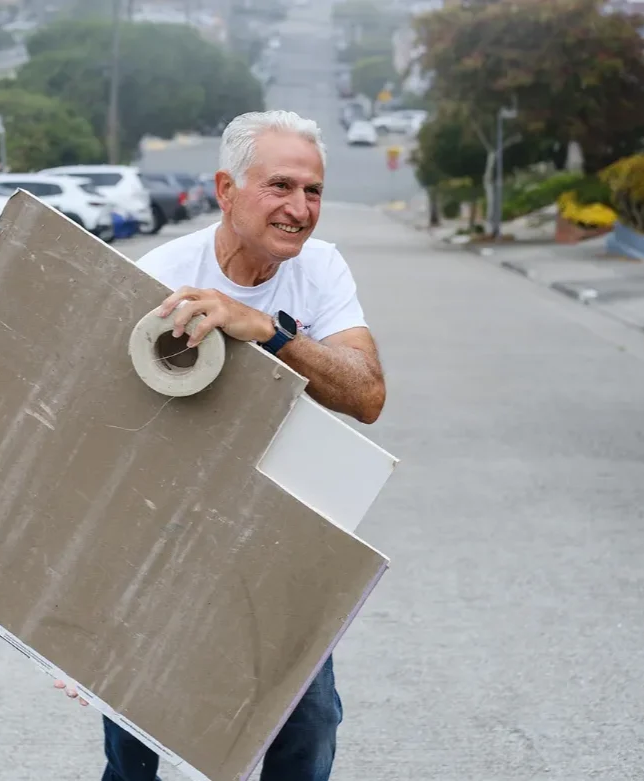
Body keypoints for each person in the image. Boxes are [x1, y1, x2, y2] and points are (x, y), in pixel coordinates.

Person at [54, 109, 387, 781]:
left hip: (275, 522)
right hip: (161, 520)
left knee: (308, 720)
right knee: (135, 726)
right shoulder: (162, 273)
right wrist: (80, 612)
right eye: (280, 186)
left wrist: (268, 329)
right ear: (226, 190)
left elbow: (367, 396)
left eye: (313, 190)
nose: (300, 208)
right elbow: (91, 434)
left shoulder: (319, 271)